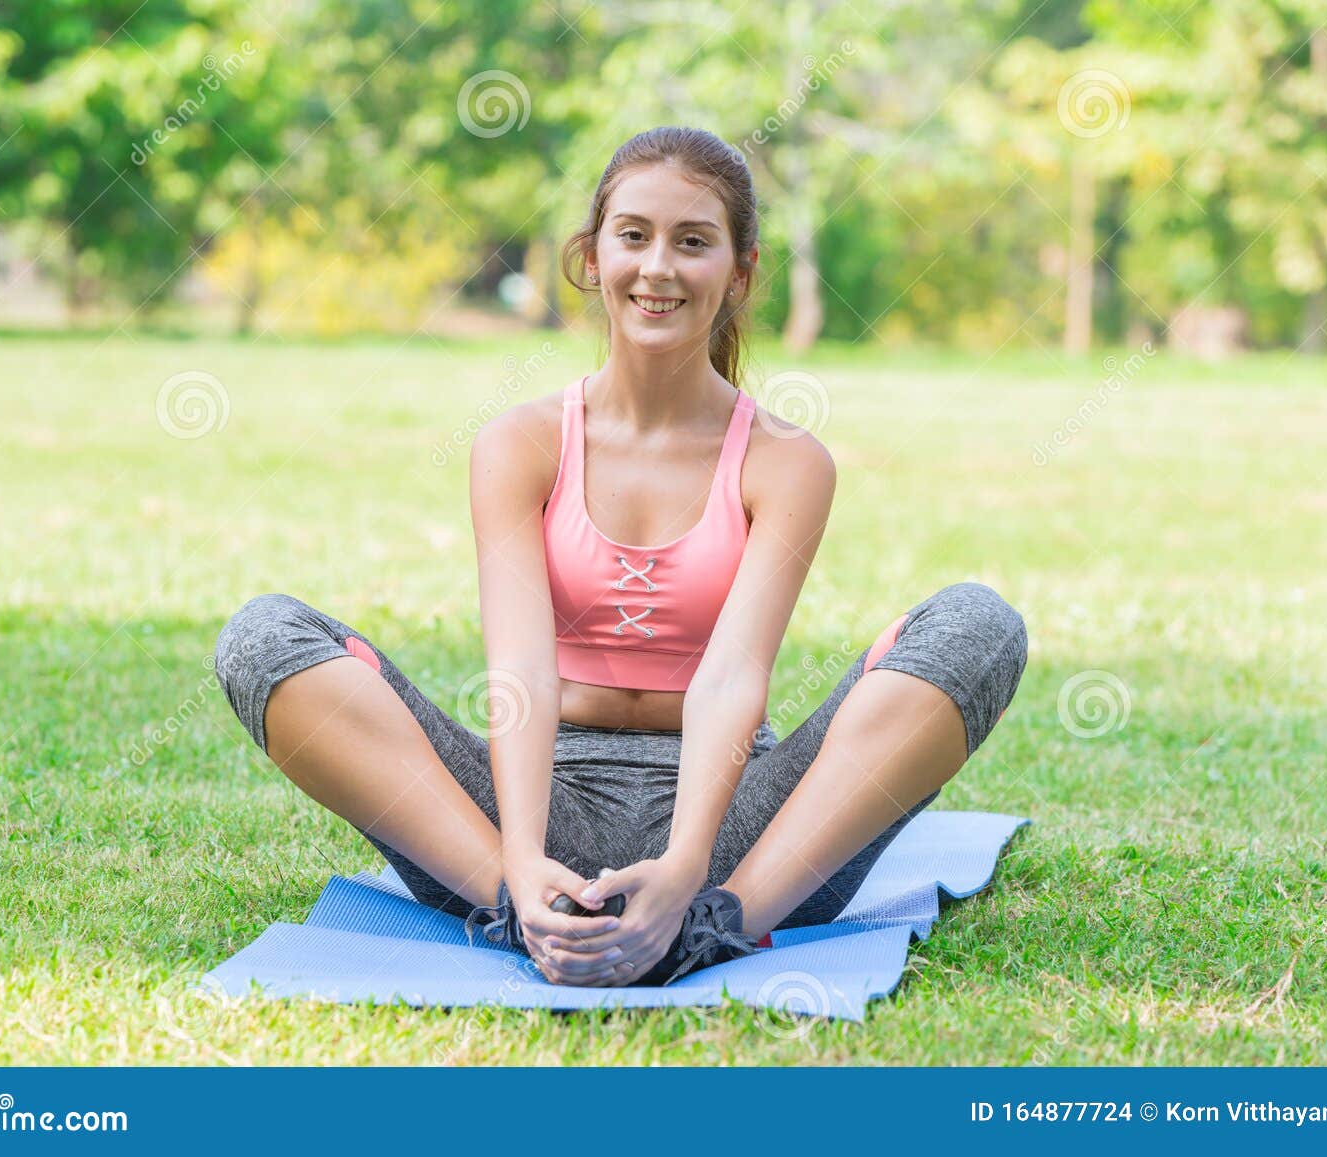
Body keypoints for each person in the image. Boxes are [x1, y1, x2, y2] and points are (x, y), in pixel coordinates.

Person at [214, 125, 1028, 988]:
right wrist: (521, 861)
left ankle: (718, 927)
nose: (659, 268)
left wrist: (688, 872)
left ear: (741, 271)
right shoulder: (519, 442)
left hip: (733, 830)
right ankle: (521, 911)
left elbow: (731, 678)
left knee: (977, 626)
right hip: (531, 808)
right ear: (592, 258)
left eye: (693, 242)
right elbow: (519, 667)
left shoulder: (786, 460)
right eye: (633, 235)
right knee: (265, 637)